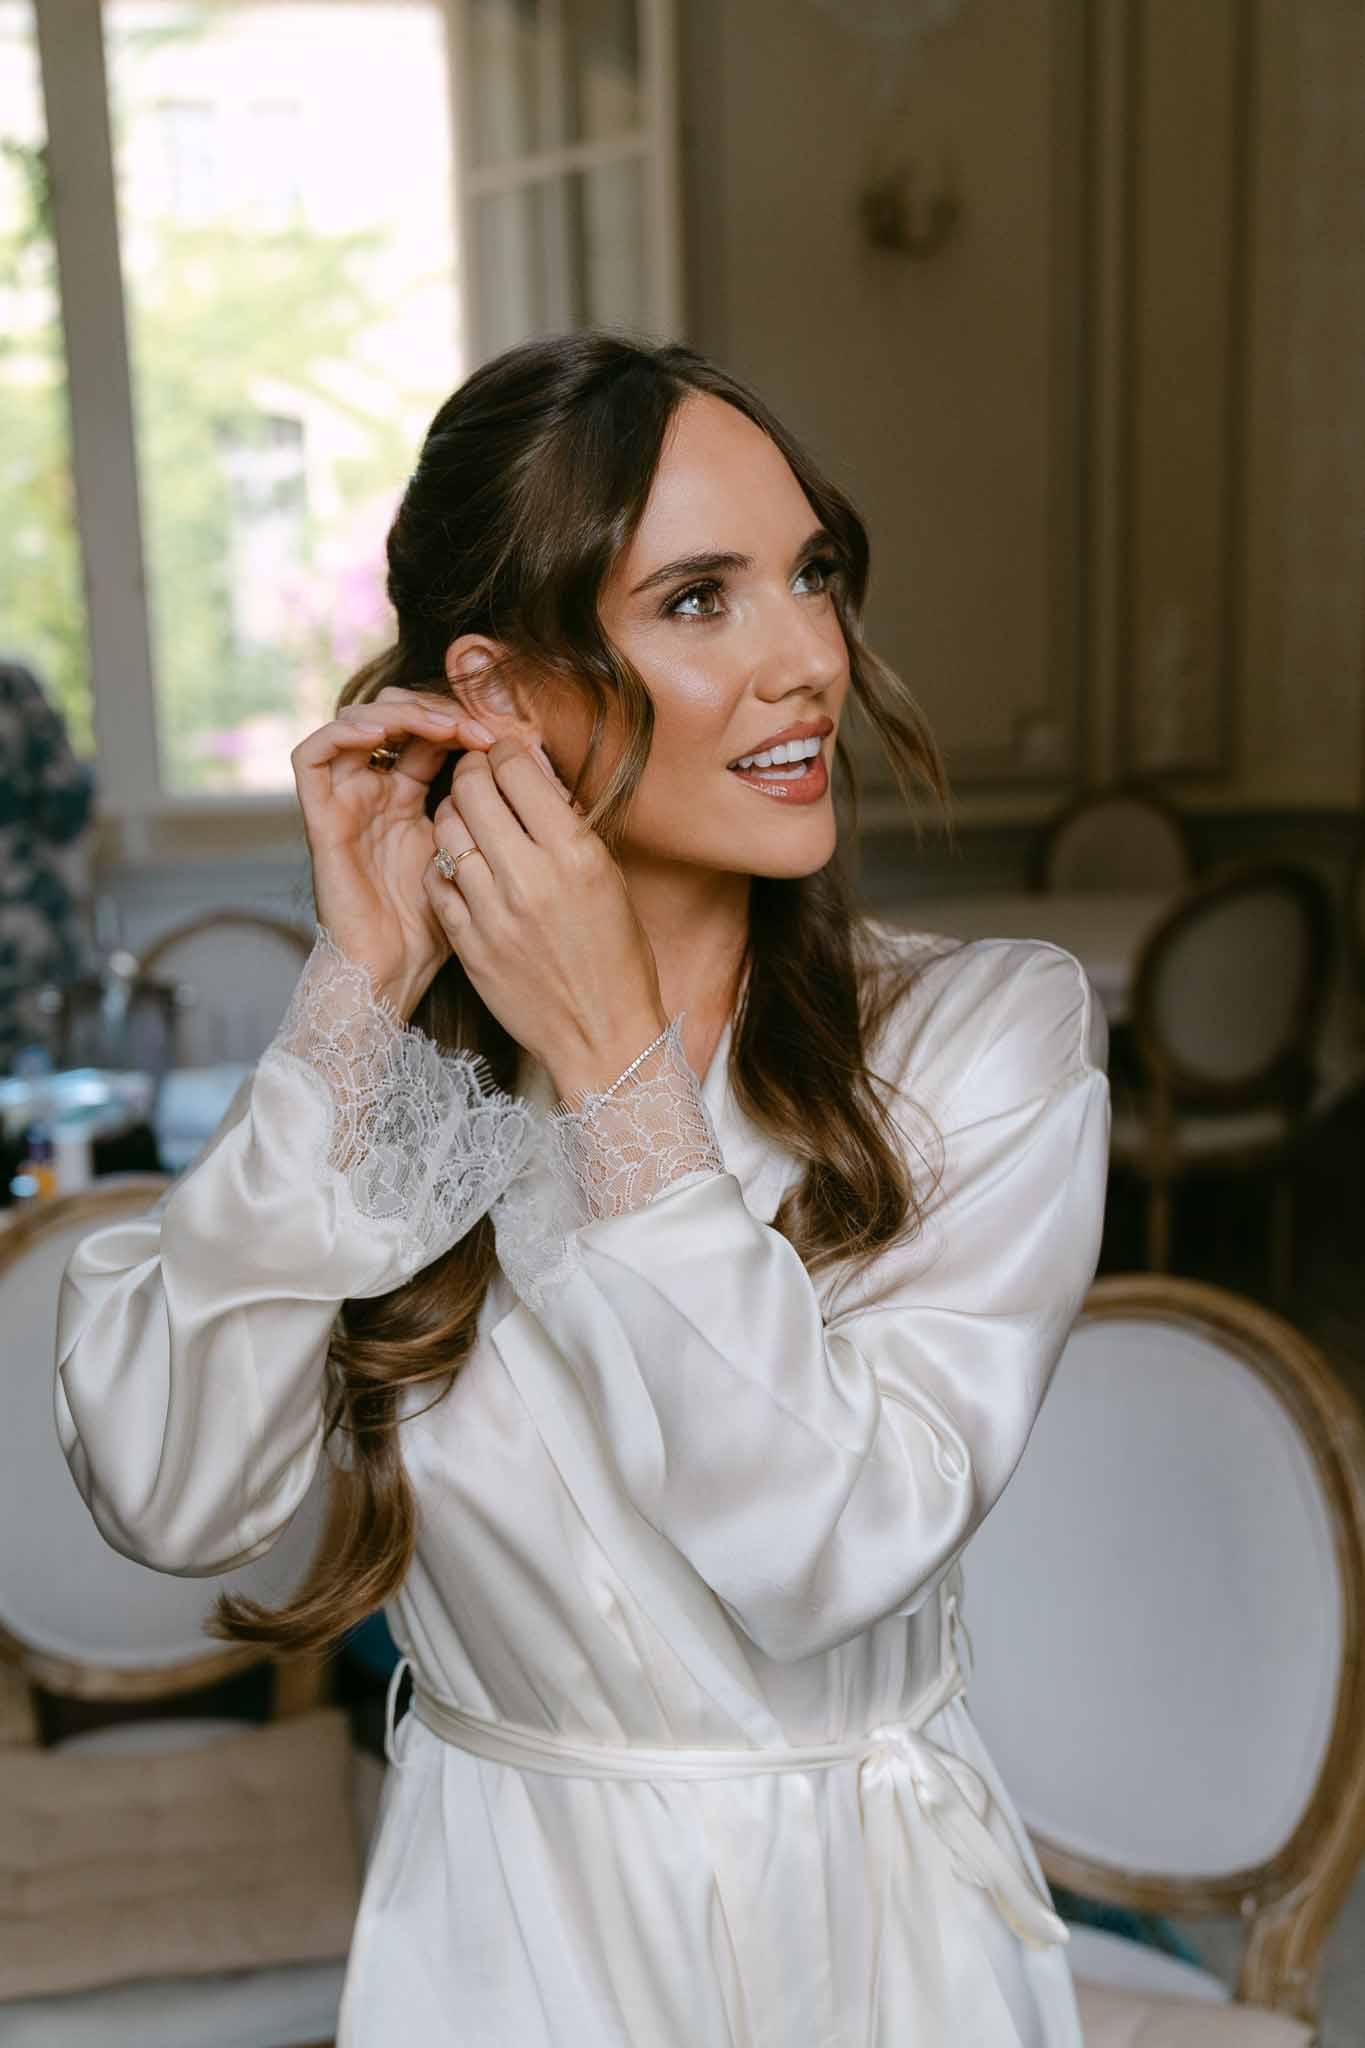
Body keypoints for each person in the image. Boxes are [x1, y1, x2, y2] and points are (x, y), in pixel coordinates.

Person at [55, 332, 1111, 2046]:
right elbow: (171, 1498)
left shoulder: (983, 1036)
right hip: (502, 1945)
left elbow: (832, 1543)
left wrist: (622, 1074)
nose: (808, 660)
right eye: (699, 600)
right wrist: (352, 995)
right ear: (498, 691)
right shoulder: (398, 1088)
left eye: (812, 576)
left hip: (867, 1943)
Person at [0, 657, 94, 1073]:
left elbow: (66, 804)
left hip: (24, 933)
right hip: (26, 923)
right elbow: (67, 801)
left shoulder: (12, 685)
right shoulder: (11, 686)